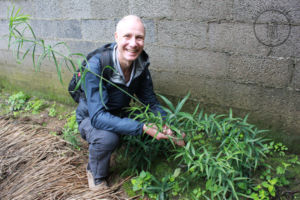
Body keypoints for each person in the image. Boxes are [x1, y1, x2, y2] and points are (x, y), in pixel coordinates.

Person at [76, 15, 185, 190]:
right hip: (90, 118)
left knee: (150, 120)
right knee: (107, 137)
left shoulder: (140, 64)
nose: (133, 43)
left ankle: (128, 147)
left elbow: (150, 102)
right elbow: (97, 117)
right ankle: (96, 173)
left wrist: (167, 124)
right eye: (127, 36)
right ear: (116, 37)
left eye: (139, 37)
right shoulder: (96, 66)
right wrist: (142, 127)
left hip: (118, 111)